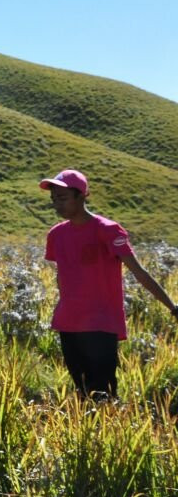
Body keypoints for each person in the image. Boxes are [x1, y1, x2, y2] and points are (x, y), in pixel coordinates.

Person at [40, 169, 178, 399]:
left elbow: (139, 272)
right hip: (68, 322)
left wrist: (172, 306)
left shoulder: (108, 230)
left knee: (103, 393)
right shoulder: (56, 234)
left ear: (81, 196)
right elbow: (62, 277)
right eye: (54, 199)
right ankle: (86, 434)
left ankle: (109, 432)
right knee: (81, 390)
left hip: (101, 323)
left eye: (63, 198)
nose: (57, 205)